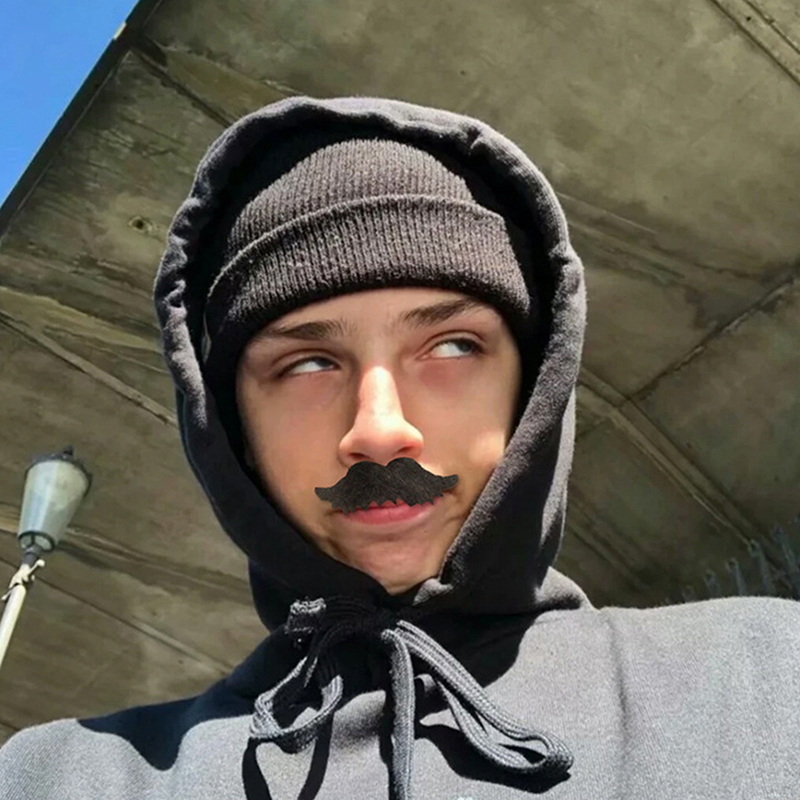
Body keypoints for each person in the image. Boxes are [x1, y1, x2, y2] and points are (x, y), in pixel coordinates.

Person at [1, 95, 798, 800]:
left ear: (535, 386)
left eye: (451, 346)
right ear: (230, 428)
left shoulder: (767, 682)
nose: (379, 429)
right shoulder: (60, 779)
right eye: (306, 363)